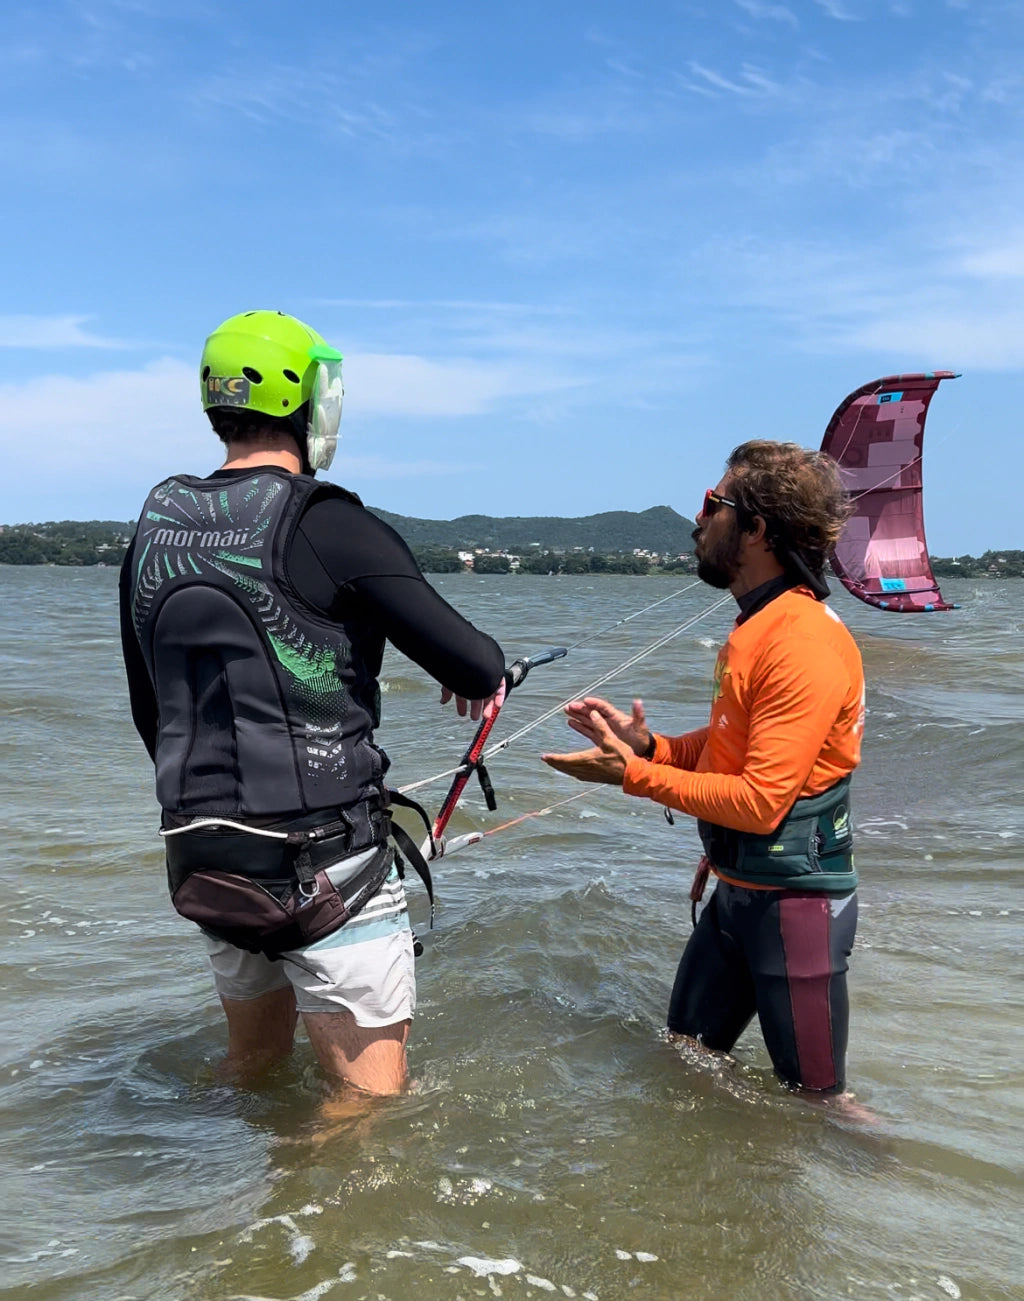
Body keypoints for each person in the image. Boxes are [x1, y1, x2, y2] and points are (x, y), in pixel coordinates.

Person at [120, 309, 504, 1102]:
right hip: (324, 869)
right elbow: (477, 662)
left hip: (202, 856)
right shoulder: (328, 520)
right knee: (364, 1114)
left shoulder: (155, 525)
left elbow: (148, 708)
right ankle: (309, 1226)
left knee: (250, 1076)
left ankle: (235, 1215)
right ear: (308, 398)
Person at [543, 440, 865, 1099]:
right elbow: (731, 750)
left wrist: (628, 776)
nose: (698, 522)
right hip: (738, 896)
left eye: (712, 505)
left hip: (793, 912)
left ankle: (877, 1190)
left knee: (821, 1109)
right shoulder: (759, 625)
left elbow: (759, 801)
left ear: (757, 530)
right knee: (686, 1058)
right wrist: (651, 747)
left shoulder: (801, 639)